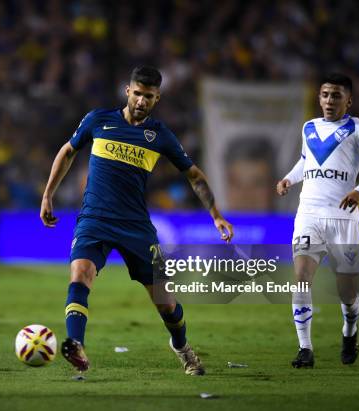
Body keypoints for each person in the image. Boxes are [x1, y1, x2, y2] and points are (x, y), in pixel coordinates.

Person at [40, 66, 233, 375]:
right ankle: (76, 344)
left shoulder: (159, 135)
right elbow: (67, 152)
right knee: (80, 275)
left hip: (136, 227)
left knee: (165, 303)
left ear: (157, 98)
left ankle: (182, 347)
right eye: (138, 94)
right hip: (95, 219)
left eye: (149, 96)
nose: (142, 101)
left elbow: (194, 176)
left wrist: (216, 215)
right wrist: (48, 194)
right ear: (127, 91)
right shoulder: (98, 120)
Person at [277, 73, 359, 368]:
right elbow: (307, 161)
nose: (329, 100)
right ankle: (305, 349)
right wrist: (289, 179)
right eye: (325, 94)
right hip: (309, 214)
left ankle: (350, 331)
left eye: (336, 95)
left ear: (348, 101)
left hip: (343, 218)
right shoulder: (309, 127)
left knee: (347, 292)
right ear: (319, 97)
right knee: (301, 280)